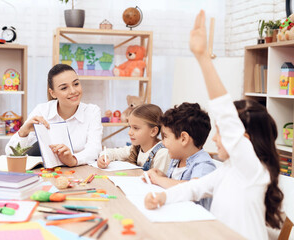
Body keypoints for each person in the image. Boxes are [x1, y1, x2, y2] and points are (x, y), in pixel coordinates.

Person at [144, 10, 283, 240]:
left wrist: (203, 58)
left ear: (244, 140)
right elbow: (193, 188)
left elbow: (226, 115)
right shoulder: (228, 171)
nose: (215, 139)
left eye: (221, 134)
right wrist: (163, 198)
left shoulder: (252, 170)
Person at [5, 64, 103, 167]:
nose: (73, 91)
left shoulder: (92, 111)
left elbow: (94, 149)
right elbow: (10, 153)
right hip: (47, 173)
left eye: (76, 84)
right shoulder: (42, 111)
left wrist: (73, 160)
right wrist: (23, 132)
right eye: (64, 88)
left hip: (81, 172)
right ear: (53, 93)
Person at [144, 102, 216, 210]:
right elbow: (176, 184)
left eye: (165, 136)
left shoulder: (204, 164)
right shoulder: (177, 159)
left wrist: (158, 179)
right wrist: (163, 176)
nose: (163, 143)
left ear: (183, 139)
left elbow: (191, 188)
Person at [97, 104, 171, 173]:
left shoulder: (162, 153)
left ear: (153, 131)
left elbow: (159, 183)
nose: (129, 132)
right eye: (130, 127)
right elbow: (113, 152)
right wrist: (104, 157)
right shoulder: (137, 147)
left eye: (136, 128)